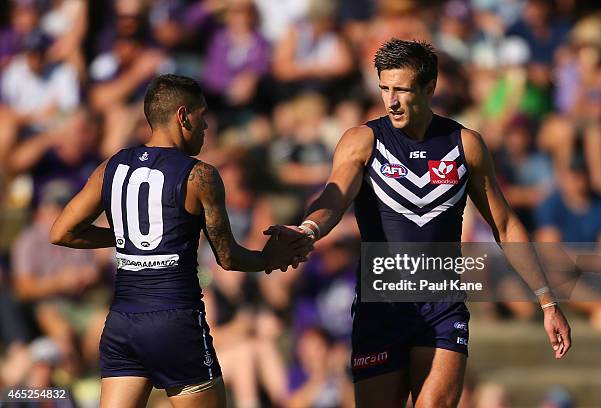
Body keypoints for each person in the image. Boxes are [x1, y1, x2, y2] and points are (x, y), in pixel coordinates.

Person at [267, 39, 572, 407]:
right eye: (384, 88)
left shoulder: (465, 145)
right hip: (381, 307)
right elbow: (333, 198)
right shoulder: (362, 141)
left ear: (430, 88)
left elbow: (505, 225)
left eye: (402, 89)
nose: (391, 100)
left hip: (442, 303)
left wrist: (547, 302)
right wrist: (309, 229)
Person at [49, 74, 310, 408]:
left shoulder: (111, 167)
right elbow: (228, 258)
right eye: (202, 117)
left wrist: (129, 236)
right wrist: (268, 259)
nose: (205, 127)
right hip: (174, 321)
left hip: (122, 324)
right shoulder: (200, 175)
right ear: (183, 116)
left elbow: (62, 232)